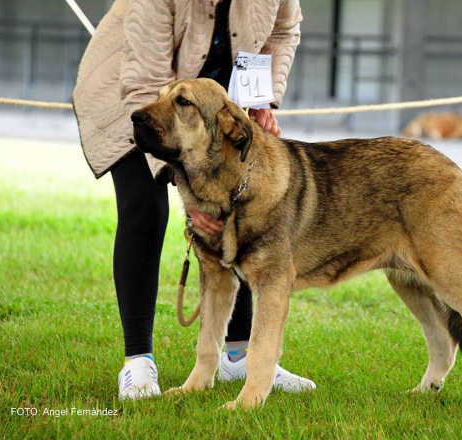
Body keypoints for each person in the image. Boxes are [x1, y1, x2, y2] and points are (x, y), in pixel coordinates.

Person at [72, 0, 315, 399]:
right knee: (144, 209)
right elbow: (144, 82)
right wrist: (190, 190)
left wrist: (259, 100)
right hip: (134, 93)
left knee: (240, 212)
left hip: (213, 101)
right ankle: (138, 362)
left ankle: (237, 356)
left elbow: (284, 31)